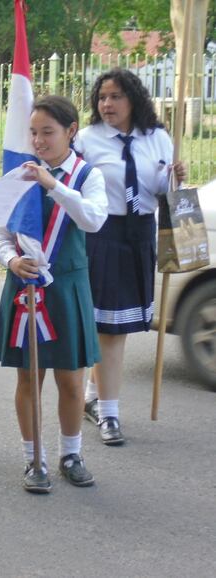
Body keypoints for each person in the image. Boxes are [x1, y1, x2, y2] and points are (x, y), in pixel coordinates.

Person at [0, 95, 108, 493]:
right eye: (34, 133)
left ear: (71, 131)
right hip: (25, 286)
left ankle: (71, 454)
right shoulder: (19, 174)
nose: (38, 141)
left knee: (72, 381)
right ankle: (32, 457)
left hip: (68, 285)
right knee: (28, 377)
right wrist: (10, 260)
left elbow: (92, 220)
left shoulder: (86, 175)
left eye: (48, 132)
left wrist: (53, 185)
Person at [75, 69, 186, 446]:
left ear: (133, 100)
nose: (107, 104)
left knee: (116, 325)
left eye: (116, 97)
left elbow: (160, 191)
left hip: (139, 235)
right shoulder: (87, 140)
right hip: (102, 234)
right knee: (107, 327)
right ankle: (109, 413)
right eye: (102, 97)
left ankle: (93, 398)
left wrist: (175, 178)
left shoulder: (158, 139)